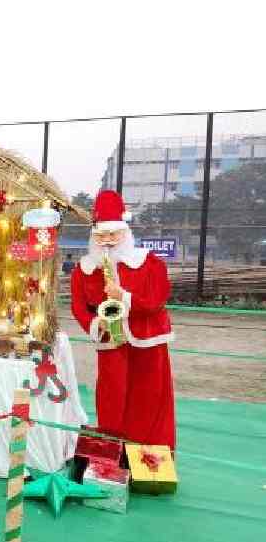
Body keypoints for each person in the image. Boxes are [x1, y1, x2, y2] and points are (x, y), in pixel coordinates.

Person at [70, 190, 176, 449]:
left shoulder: (150, 264)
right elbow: (78, 307)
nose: (107, 241)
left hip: (147, 341)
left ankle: (148, 453)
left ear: (125, 233)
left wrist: (124, 296)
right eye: (101, 236)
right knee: (111, 396)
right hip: (109, 342)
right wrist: (96, 324)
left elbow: (157, 299)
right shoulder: (84, 270)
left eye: (113, 235)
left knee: (149, 395)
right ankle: (112, 452)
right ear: (93, 237)